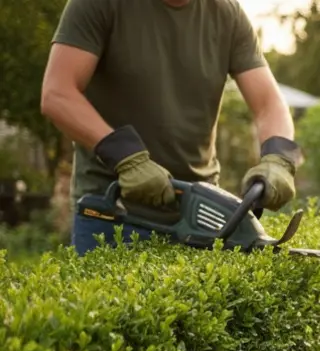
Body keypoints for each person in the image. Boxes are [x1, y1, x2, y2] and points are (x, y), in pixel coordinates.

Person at [40, 0, 303, 256]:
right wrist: (126, 158)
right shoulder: (98, 4)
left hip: (200, 217)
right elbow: (58, 94)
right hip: (114, 213)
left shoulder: (226, 12)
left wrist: (278, 158)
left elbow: (269, 104)